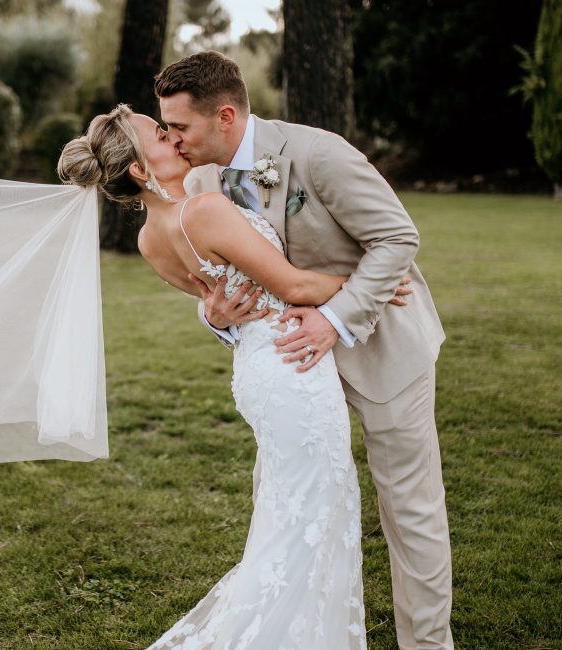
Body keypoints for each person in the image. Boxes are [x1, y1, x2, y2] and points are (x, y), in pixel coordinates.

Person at [58, 104, 410, 648]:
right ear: (137, 169)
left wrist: (215, 316)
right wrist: (371, 282)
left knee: (295, 520)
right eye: (159, 133)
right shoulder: (202, 211)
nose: (173, 136)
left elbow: (219, 302)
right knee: (310, 522)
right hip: (294, 364)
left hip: (258, 368)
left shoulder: (150, 240)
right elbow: (291, 287)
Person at [156, 51, 454, 649]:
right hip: (292, 372)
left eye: (180, 127)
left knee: (409, 511)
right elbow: (225, 281)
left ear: (225, 115)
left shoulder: (317, 153)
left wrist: (335, 319)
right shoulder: (200, 184)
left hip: (383, 346)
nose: (172, 140)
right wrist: (214, 317)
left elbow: (398, 237)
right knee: (290, 508)